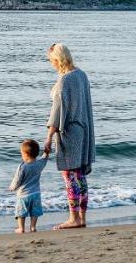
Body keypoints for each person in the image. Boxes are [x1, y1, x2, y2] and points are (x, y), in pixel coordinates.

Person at [43, 43, 95, 229]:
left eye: (52, 61)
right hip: (83, 130)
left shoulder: (65, 80)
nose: (52, 65)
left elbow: (57, 112)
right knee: (80, 176)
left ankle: (73, 219)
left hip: (70, 132)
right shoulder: (82, 75)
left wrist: (49, 137)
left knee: (70, 176)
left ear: (58, 59)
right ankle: (82, 217)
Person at [9, 139, 48, 234]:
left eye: (21, 153)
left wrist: (12, 187)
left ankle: (21, 228)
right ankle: (33, 227)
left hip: (23, 194)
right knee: (34, 211)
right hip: (36, 193)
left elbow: (17, 179)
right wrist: (46, 152)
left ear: (25, 154)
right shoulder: (39, 164)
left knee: (21, 212)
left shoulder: (23, 166)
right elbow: (44, 159)